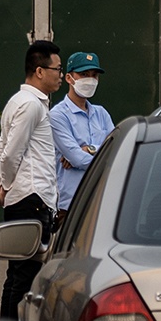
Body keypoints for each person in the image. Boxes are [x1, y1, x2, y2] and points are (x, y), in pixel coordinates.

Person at [0, 39, 64, 321]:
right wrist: (3, 186)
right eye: (57, 68)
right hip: (32, 200)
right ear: (40, 71)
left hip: (25, 200)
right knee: (24, 277)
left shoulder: (17, 102)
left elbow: (0, 150)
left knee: (17, 275)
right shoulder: (31, 105)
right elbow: (10, 155)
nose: (60, 74)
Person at [49, 51, 114, 228]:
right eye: (84, 75)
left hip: (101, 202)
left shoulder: (101, 113)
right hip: (70, 206)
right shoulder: (58, 115)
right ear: (69, 78)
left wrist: (90, 149)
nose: (90, 80)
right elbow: (77, 157)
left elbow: (116, 151)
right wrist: (102, 154)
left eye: (94, 76)